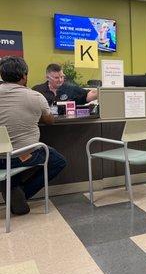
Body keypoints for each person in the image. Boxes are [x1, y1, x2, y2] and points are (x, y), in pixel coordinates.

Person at [0, 56, 66, 215]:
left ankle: (13, 189)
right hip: (24, 154)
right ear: (24, 76)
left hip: (1, 158)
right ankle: (21, 192)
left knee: (8, 161)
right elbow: (49, 120)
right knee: (57, 161)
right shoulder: (35, 96)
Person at [33, 63, 98, 106]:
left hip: (67, 124)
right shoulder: (38, 90)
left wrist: (102, 92)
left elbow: (88, 95)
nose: (60, 80)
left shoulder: (70, 88)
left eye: (62, 77)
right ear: (47, 78)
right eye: (56, 78)